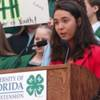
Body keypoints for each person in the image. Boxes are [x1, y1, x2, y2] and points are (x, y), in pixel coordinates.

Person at [50, 1, 100, 78]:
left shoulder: (96, 53)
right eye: (56, 22)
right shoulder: (56, 55)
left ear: (79, 21)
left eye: (65, 21)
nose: (60, 27)